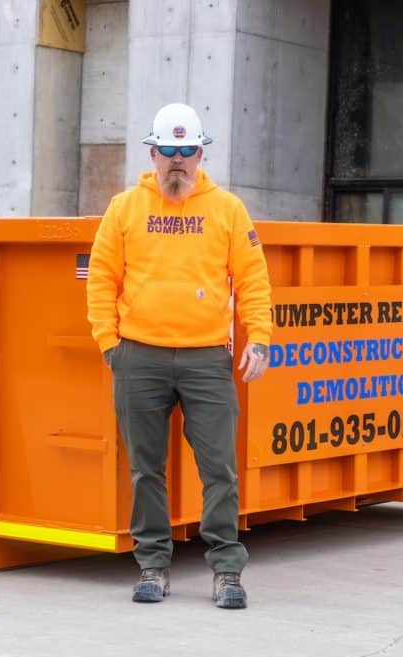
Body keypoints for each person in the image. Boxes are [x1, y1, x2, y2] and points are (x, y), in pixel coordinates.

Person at [86, 103, 272, 609]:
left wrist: (259, 335)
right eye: (167, 150)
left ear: (199, 154)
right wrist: (110, 345)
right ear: (152, 152)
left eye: (186, 150)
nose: (176, 161)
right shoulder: (125, 208)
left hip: (207, 360)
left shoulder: (227, 210)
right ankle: (153, 565)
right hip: (138, 358)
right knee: (146, 469)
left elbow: (252, 279)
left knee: (219, 469)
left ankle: (227, 570)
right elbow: (102, 278)